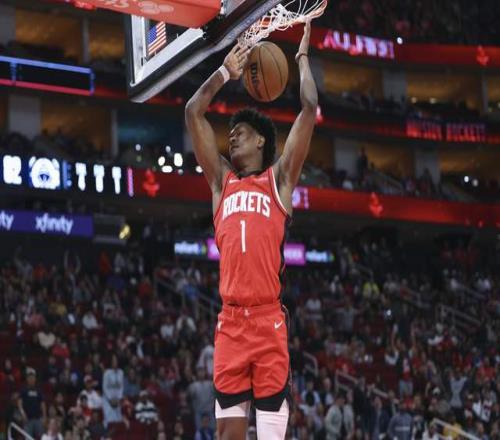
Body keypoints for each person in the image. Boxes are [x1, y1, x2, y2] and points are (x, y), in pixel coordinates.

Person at [185, 14, 318, 440]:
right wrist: (225, 72)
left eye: (240, 132)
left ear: (261, 140)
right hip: (230, 323)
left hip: (267, 321)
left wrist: (301, 59)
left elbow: (309, 109)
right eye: (231, 134)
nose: (232, 138)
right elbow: (193, 111)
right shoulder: (220, 183)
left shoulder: (279, 180)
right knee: (228, 435)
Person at [18, 367, 46, 439]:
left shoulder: (38, 391)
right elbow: (19, 404)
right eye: (30, 377)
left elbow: (42, 404)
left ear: (35, 379)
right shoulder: (23, 391)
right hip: (27, 420)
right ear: (27, 379)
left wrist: (44, 417)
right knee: (28, 438)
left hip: (38, 419)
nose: (31, 379)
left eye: (33, 377)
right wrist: (22, 413)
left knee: (41, 437)